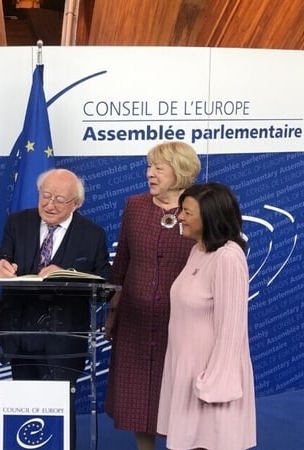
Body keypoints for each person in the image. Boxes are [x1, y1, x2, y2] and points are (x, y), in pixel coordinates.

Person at [0, 168, 112, 449]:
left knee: (58, 410)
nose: (49, 204)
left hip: (65, 338)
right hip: (19, 333)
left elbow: (106, 286)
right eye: (45, 196)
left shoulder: (92, 234)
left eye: (59, 199)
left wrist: (66, 274)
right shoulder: (17, 223)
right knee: (24, 409)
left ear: (75, 204)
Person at [104, 141, 201, 450]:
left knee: (177, 393)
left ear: (181, 171)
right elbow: (122, 263)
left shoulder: (199, 209)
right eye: (149, 167)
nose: (150, 173)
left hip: (182, 323)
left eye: (159, 167)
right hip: (134, 320)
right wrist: (113, 312)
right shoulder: (135, 205)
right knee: (137, 395)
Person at [157, 182, 256, 450]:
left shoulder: (228, 258)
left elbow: (232, 328)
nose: (179, 217)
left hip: (210, 379)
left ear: (210, 217)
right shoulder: (197, 250)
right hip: (187, 372)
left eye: (188, 212)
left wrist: (215, 384)